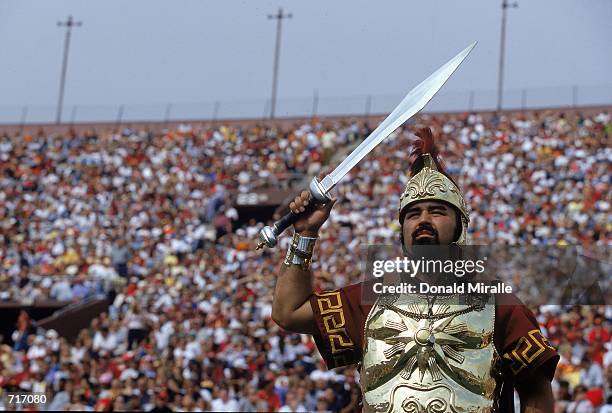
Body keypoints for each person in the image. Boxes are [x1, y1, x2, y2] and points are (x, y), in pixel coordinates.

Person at [272, 128, 560, 412]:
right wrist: (306, 234)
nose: (423, 220)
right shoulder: (371, 296)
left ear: (459, 225)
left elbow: (536, 394)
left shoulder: (499, 305)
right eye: (413, 214)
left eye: (436, 211)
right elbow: (289, 312)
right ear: (402, 231)